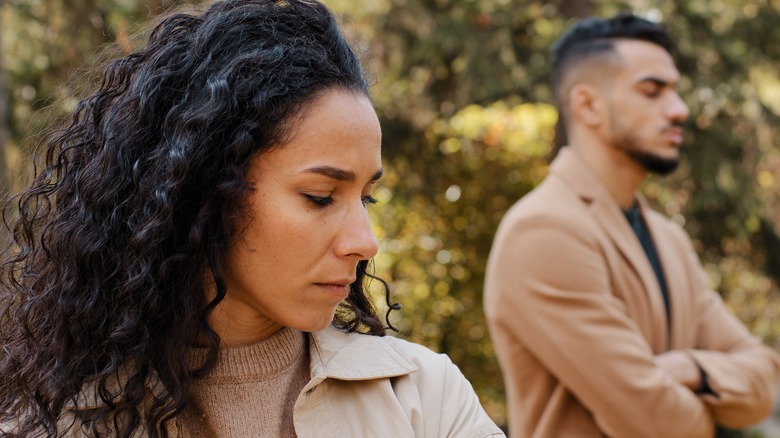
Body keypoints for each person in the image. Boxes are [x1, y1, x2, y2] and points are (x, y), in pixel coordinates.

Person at [0, 1, 505, 437]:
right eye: (320, 196)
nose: (364, 242)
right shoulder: (60, 422)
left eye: (366, 198)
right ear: (203, 191)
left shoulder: (424, 400)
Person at [483, 12, 780, 438]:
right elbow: (660, 424)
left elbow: (763, 381)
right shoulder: (544, 230)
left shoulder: (669, 238)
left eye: (675, 91)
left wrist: (689, 368)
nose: (680, 110)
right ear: (587, 105)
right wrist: (709, 395)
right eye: (652, 91)